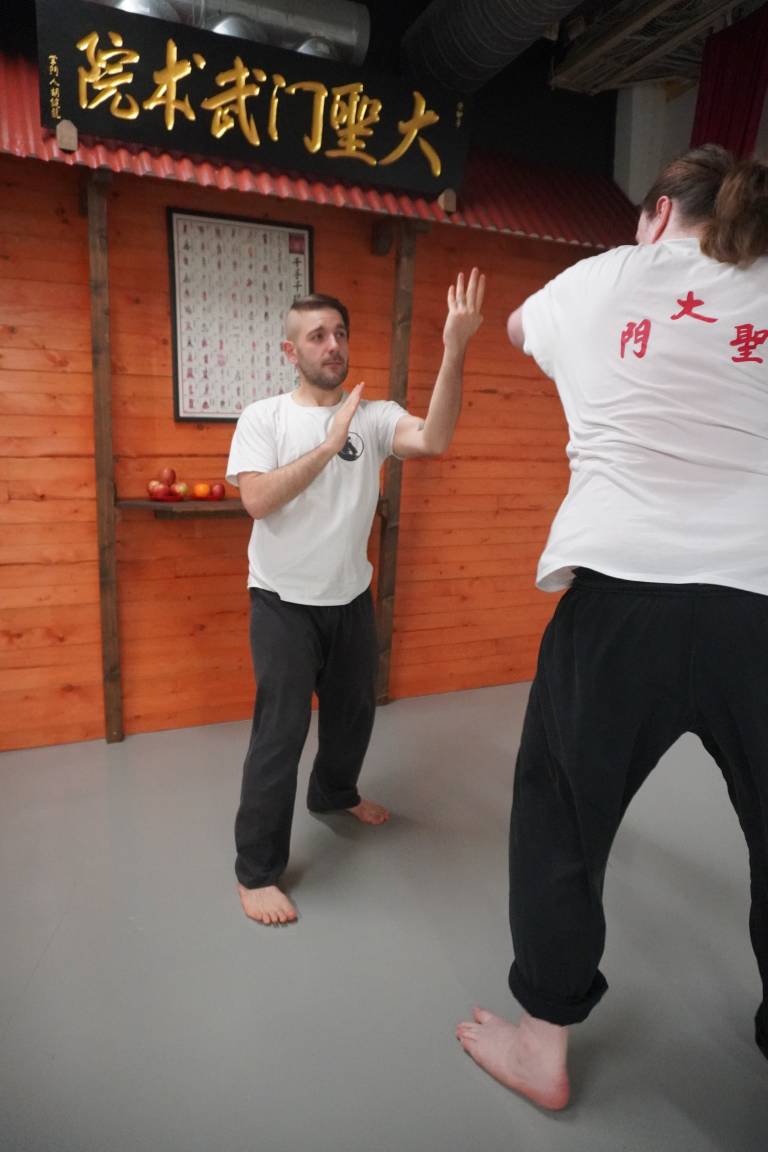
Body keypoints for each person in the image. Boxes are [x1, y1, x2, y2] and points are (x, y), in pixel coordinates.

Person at [457, 144, 768, 1109]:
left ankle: (542, 1044)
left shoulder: (605, 279)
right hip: (760, 595)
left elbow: (518, 325)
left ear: (658, 212)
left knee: (562, 815)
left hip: (620, 598)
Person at [227, 269, 485, 926]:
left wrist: (455, 348)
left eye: (339, 333)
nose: (333, 345)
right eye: (317, 335)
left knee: (352, 715)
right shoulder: (264, 417)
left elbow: (435, 438)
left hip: (349, 599)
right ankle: (256, 871)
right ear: (291, 351)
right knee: (280, 734)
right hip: (282, 602)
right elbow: (256, 500)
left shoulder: (374, 415)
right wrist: (328, 445)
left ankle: (334, 793)